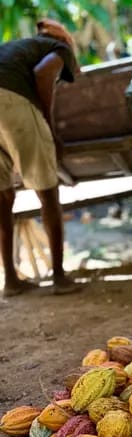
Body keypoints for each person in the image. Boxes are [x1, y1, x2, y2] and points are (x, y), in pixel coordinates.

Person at [0, 18, 81, 297]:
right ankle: (59, 277)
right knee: (47, 192)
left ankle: (10, 281)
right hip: (11, 103)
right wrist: (48, 123)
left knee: (2, 196)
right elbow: (44, 73)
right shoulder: (61, 49)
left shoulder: (18, 47)